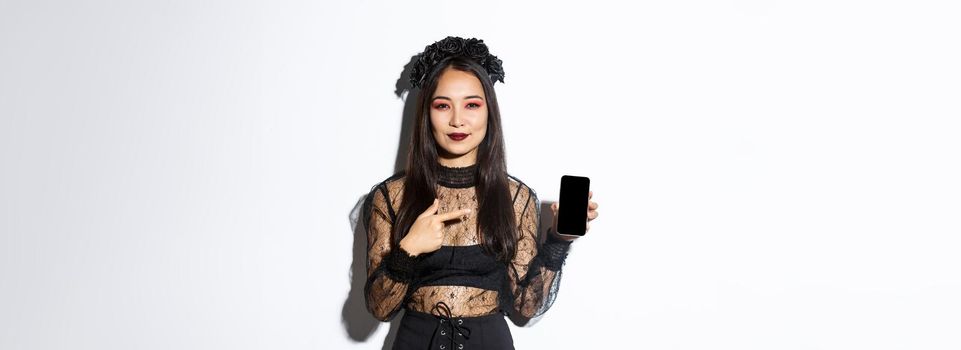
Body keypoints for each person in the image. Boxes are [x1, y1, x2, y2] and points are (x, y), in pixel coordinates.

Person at [361, 36, 600, 350]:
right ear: (426, 114)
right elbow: (380, 309)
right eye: (443, 105)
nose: (457, 120)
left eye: (472, 104)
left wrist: (558, 241)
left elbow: (526, 306)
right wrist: (408, 250)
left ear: (490, 112)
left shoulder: (516, 197)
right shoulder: (392, 197)